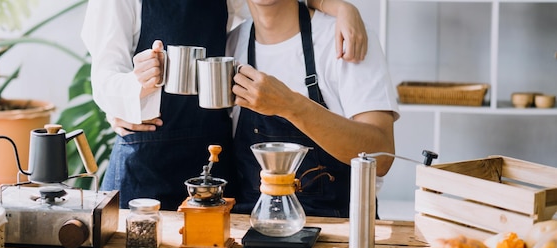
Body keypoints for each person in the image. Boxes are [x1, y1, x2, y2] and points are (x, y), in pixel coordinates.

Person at [81, 0, 370, 210]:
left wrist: (342, 8)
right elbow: (103, 77)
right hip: (146, 166)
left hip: (214, 165)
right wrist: (134, 89)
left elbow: (270, 6)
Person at [226, 0, 399, 217]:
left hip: (341, 233)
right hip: (252, 229)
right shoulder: (231, 45)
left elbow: (381, 155)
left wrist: (290, 105)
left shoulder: (345, 37)